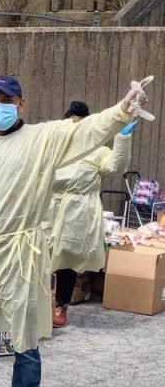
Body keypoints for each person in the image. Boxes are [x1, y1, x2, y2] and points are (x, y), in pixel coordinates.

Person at [0, 74, 148, 387]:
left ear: (21, 103)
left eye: (6, 99)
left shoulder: (42, 138)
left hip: (22, 251)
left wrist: (121, 111)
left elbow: (86, 132)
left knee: (24, 336)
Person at [51, 101, 132, 327]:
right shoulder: (55, 146)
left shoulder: (98, 150)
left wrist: (122, 140)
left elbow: (115, 167)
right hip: (50, 205)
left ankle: (61, 305)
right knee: (41, 255)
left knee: (66, 258)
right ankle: (39, 305)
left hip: (78, 209)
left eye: (81, 124)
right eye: (72, 123)